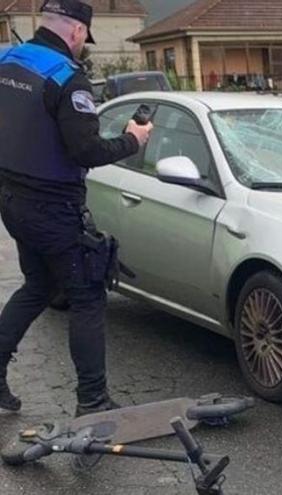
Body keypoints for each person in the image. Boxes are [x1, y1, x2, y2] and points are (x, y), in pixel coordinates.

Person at [0, 0, 152, 416]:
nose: (83, 44)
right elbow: (86, 150)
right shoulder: (69, 79)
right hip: (53, 206)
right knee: (86, 295)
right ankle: (93, 400)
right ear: (76, 32)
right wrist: (133, 141)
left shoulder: (7, 59)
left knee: (38, 286)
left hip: (12, 198)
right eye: (85, 37)